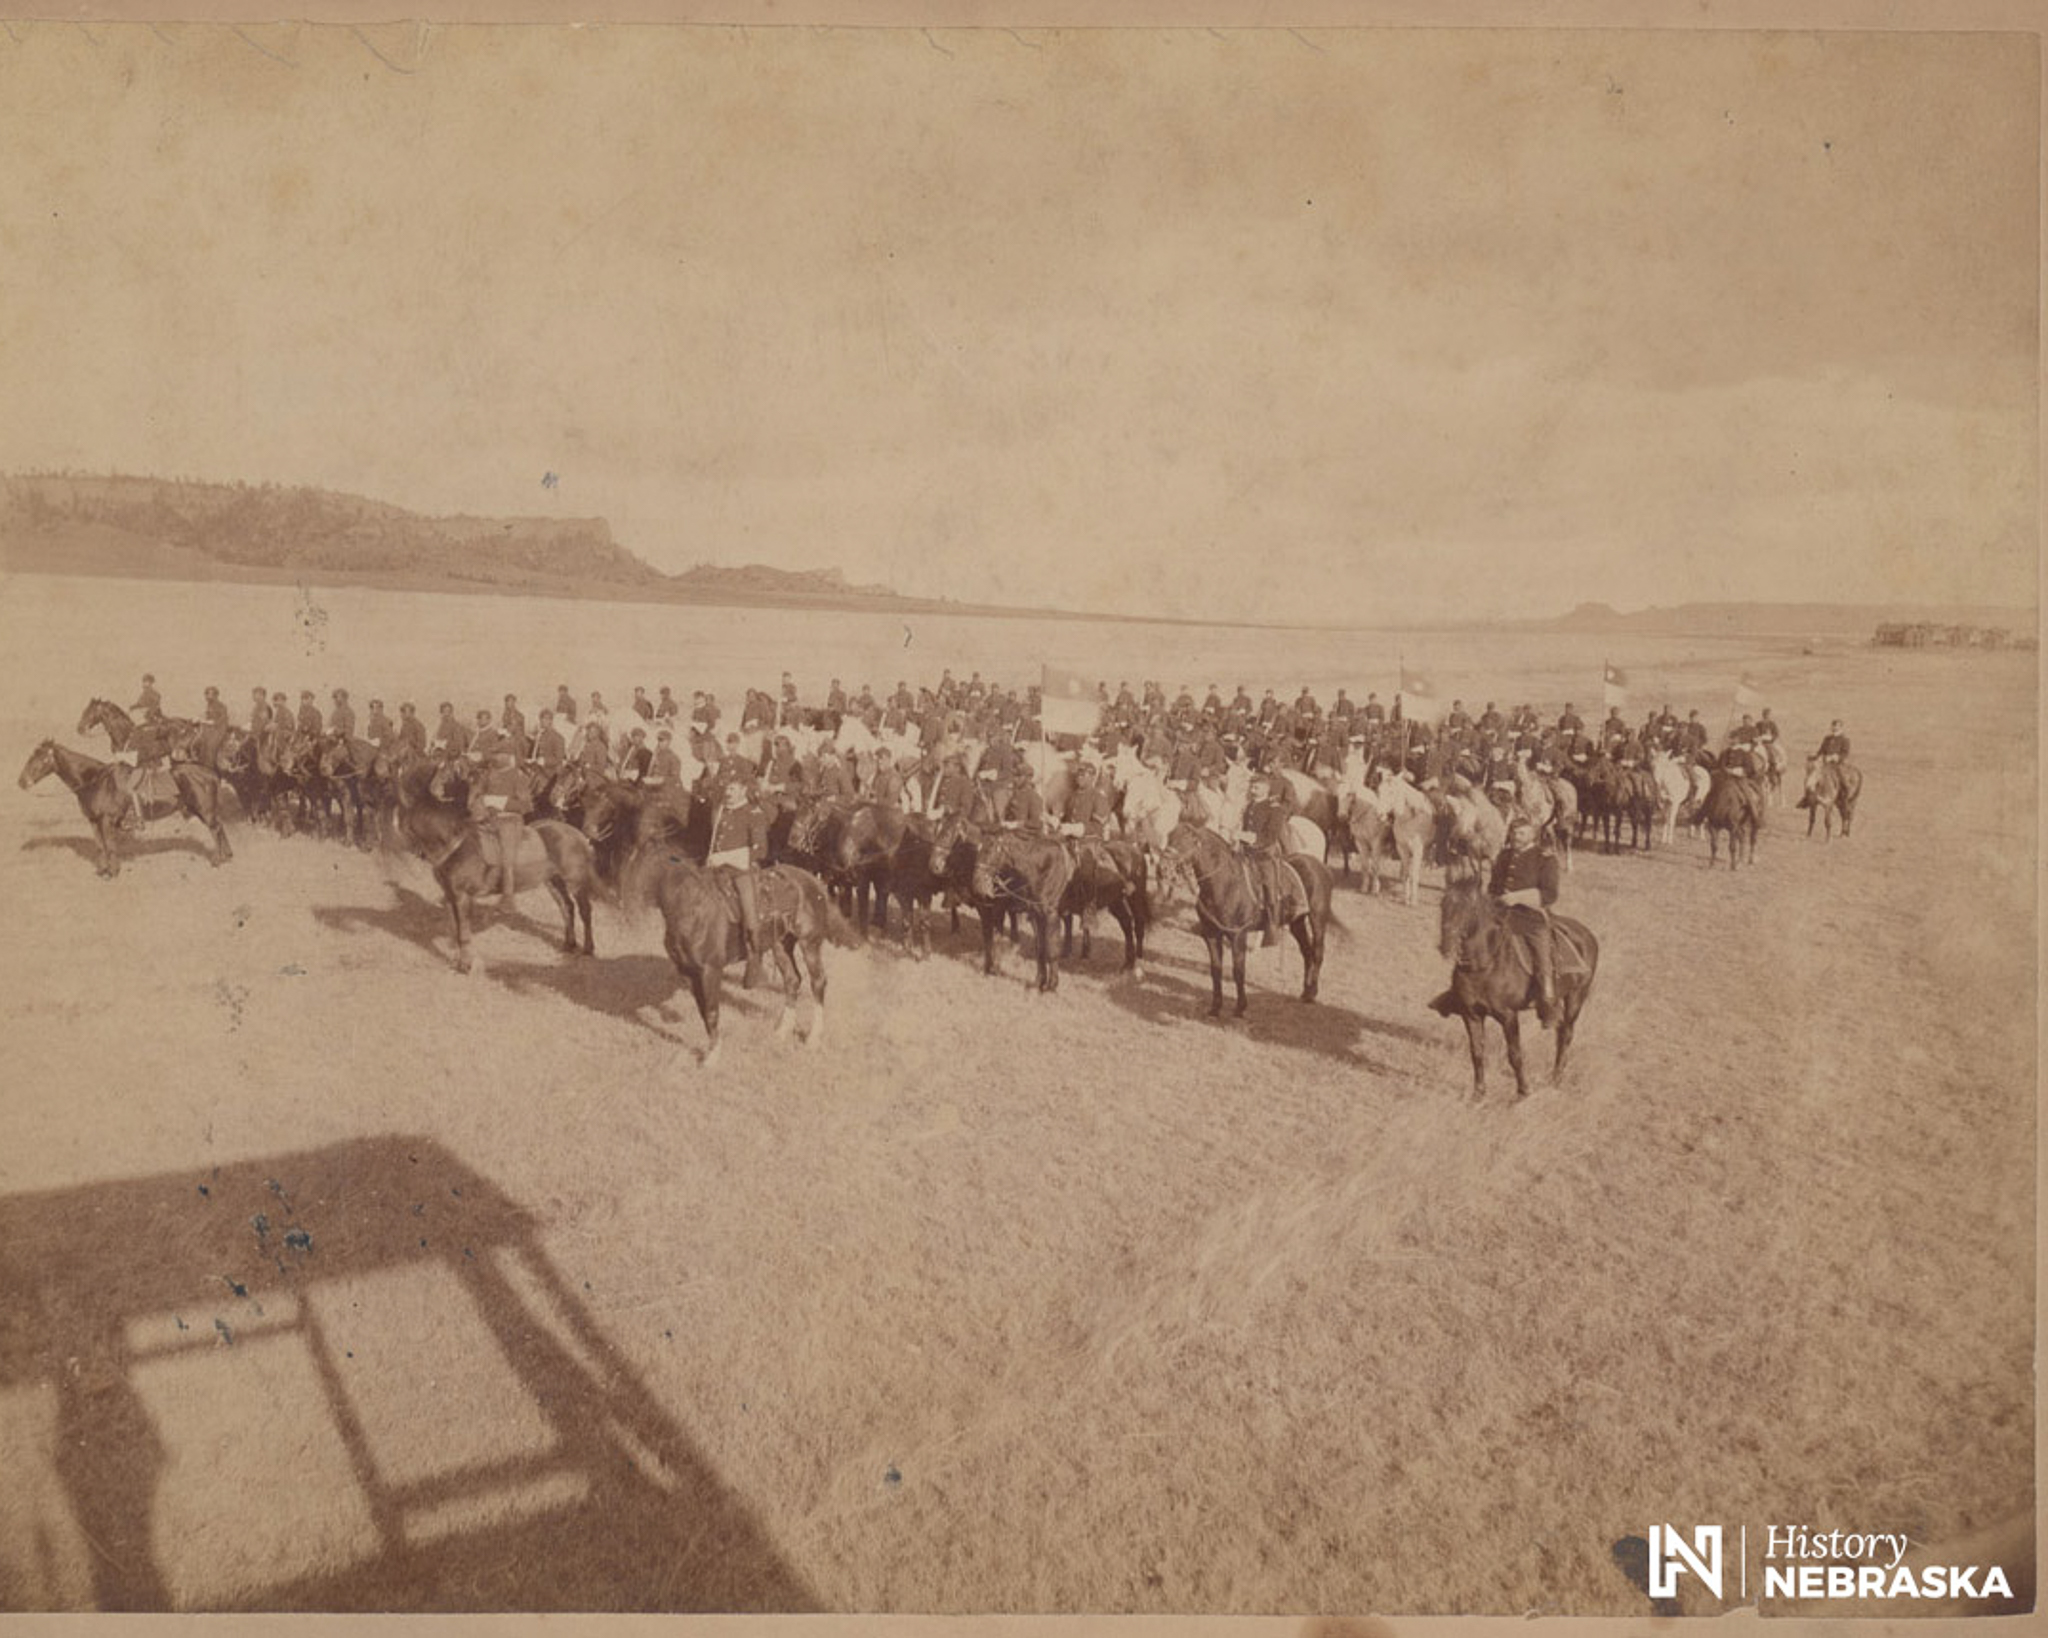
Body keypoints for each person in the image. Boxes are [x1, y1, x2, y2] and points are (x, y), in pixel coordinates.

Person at [1489, 815, 1562, 1027]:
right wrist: (1494, 899)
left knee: (1542, 959)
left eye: (1521, 833)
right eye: (1513, 832)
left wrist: (1518, 897)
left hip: (1530, 919)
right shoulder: (1504, 855)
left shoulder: (1545, 858)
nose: (1515, 837)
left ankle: (1548, 1005)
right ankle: (1459, 993)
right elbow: (1493, 885)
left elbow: (1549, 894)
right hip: (1500, 915)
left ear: (1532, 835)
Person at [707, 777, 770, 986]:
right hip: (716, 870)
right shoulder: (721, 812)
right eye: (727, 787)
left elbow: (760, 850)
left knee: (750, 917)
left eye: (733, 788)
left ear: (743, 789)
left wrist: (725, 858)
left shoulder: (754, 813)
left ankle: (754, 960)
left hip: (742, 871)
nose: (728, 792)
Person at [1236, 772, 1297, 947]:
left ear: (1266, 789)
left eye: (1256, 787)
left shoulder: (1275, 808)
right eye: (1251, 787)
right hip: (1246, 853)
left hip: (1265, 854)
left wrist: (1251, 839)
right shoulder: (1249, 806)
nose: (1252, 790)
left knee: (1270, 890)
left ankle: (1272, 929)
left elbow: (1271, 836)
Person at [469, 747, 531, 914]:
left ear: (509, 756)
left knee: (506, 856)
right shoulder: (489, 774)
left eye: (501, 754)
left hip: (510, 820)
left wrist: (501, 802)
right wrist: (477, 801)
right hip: (488, 819)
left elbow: (526, 805)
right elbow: (477, 794)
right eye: (495, 754)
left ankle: (508, 897)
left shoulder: (518, 776)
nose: (497, 757)